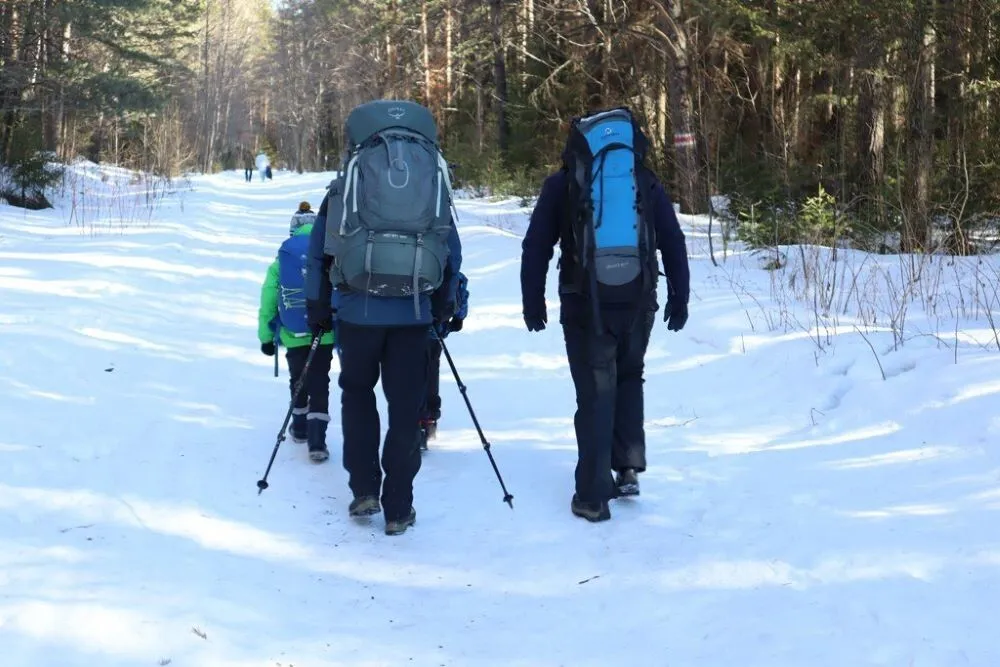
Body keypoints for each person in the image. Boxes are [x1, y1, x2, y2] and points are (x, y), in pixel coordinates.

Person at [519, 106, 690, 522]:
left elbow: (536, 245)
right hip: (638, 299)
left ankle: (593, 496)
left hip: (584, 302)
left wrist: (533, 299)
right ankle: (627, 466)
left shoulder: (563, 183)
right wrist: (679, 296)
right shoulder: (642, 182)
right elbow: (672, 239)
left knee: (595, 393)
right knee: (630, 375)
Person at [306, 99, 462, 536]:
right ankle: (399, 507)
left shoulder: (344, 187)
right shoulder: (431, 183)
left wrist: (318, 309)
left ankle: (364, 490)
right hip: (413, 314)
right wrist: (444, 305)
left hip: (357, 311)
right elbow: (450, 250)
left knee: (357, 395)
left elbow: (319, 251)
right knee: (404, 409)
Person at [258, 209, 336, 462]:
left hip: (293, 332)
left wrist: (266, 337)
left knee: (298, 378)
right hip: (323, 333)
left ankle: (300, 427)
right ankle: (317, 442)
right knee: (320, 381)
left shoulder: (282, 261)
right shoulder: (329, 255)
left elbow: (269, 300)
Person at [418, 271, 468, 450]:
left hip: (410, 324)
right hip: (437, 327)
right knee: (431, 369)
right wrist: (459, 317)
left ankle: (416, 418)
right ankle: (429, 418)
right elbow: (460, 282)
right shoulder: (446, 256)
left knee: (412, 370)